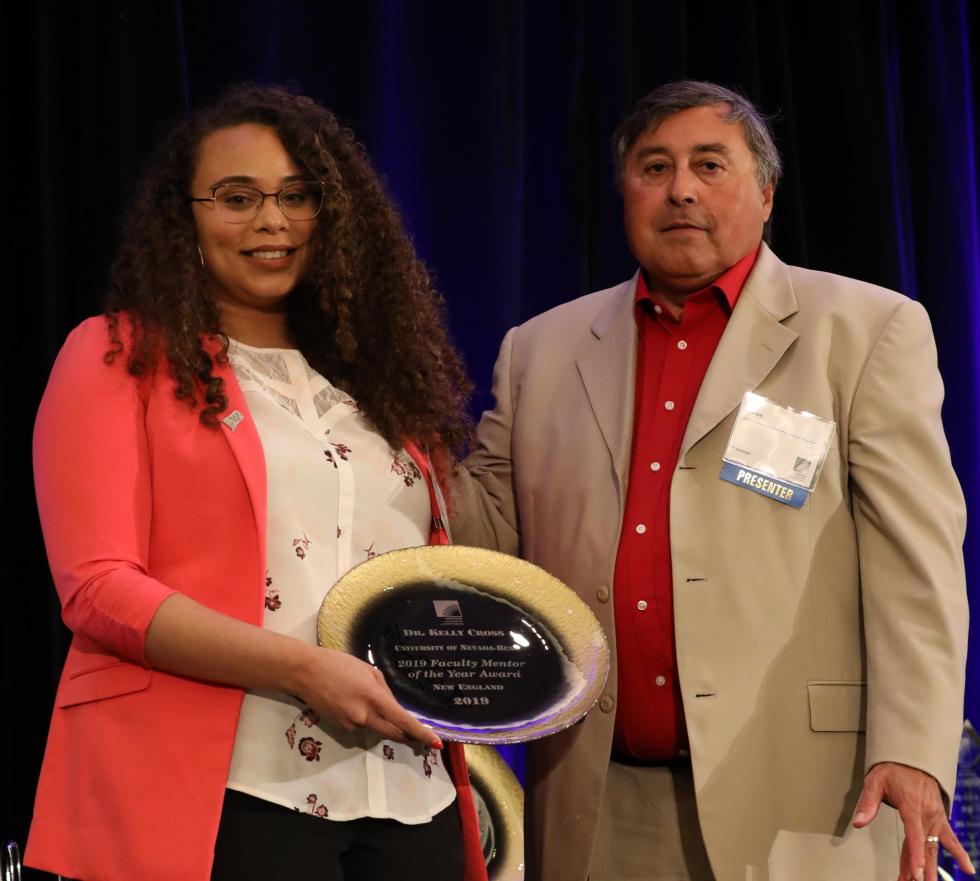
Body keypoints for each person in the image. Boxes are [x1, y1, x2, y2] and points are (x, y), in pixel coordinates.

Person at [452, 80, 973, 881]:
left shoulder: (865, 330)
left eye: (709, 164)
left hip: (807, 796)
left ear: (765, 194)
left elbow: (918, 565)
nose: (681, 188)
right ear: (625, 193)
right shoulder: (541, 350)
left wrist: (913, 747)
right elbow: (478, 536)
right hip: (600, 797)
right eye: (654, 166)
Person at [26, 83, 487, 881]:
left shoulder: (380, 387)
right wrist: (302, 667)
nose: (271, 221)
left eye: (297, 196)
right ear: (186, 216)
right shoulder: (116, 355)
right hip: (227, 789)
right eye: (237, 197)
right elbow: (96, 587)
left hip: (410, 790)